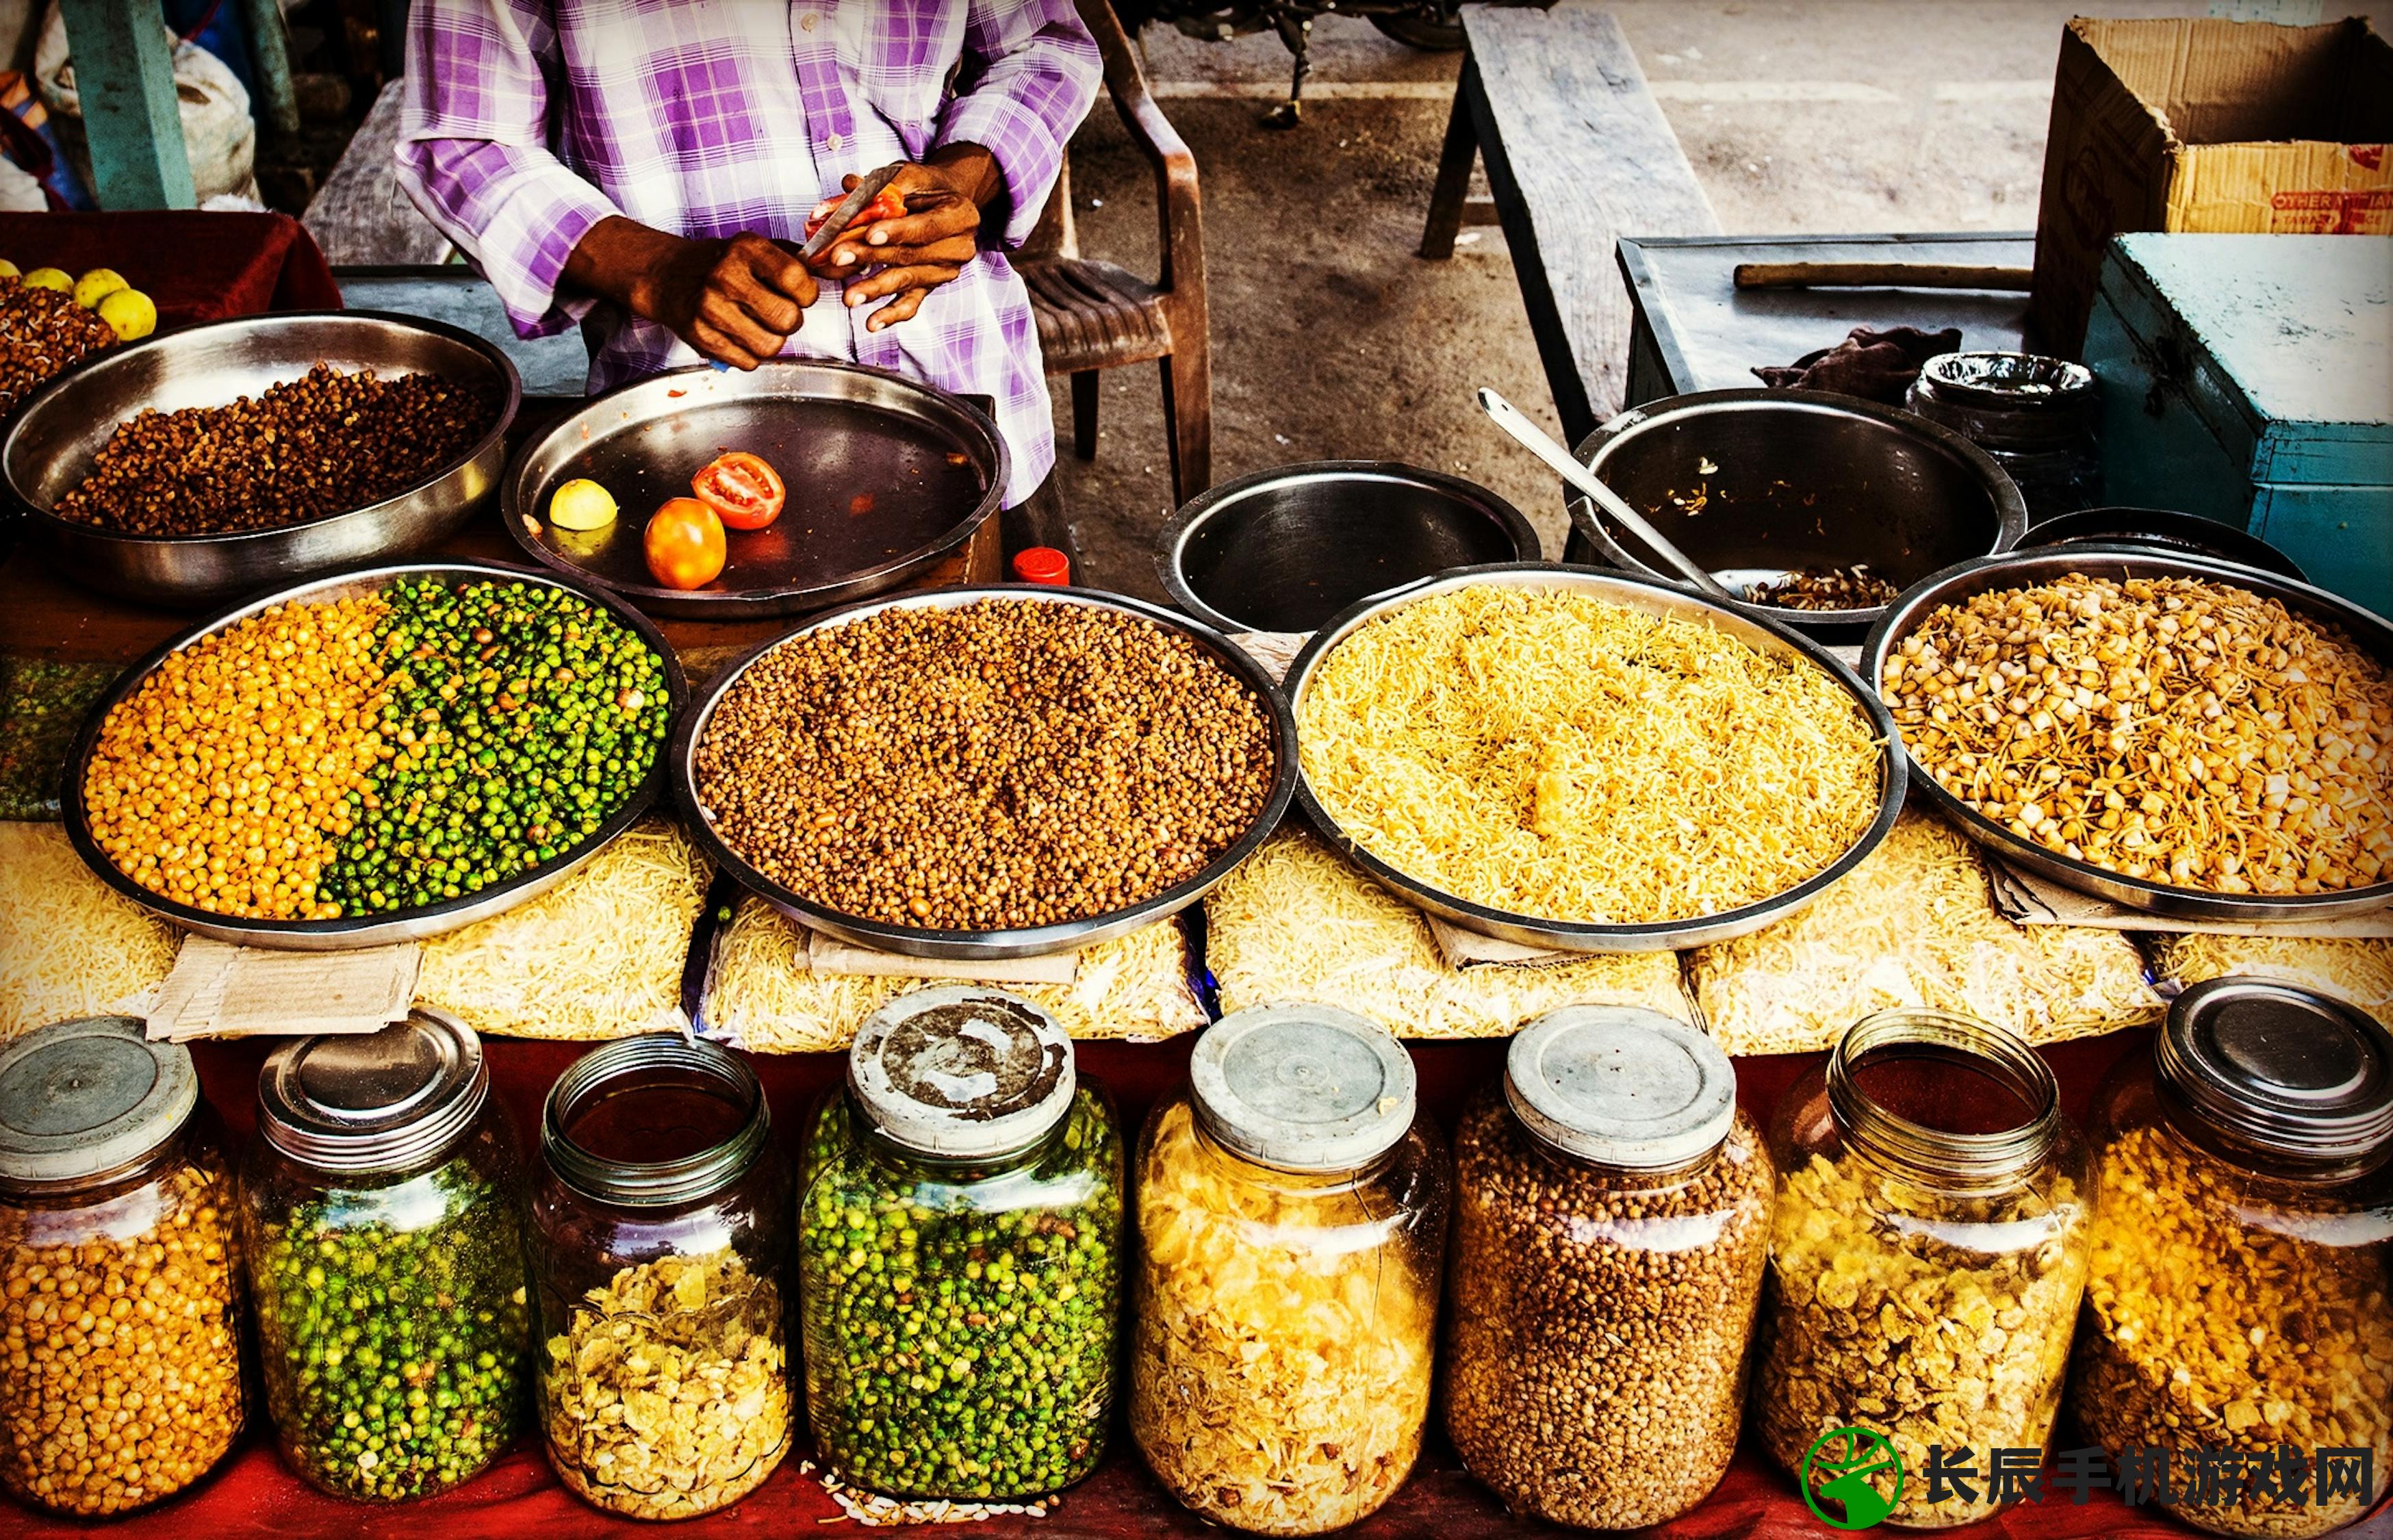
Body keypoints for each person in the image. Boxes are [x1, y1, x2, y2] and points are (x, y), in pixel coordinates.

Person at [394, 1, 1102, 510]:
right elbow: (462, 140)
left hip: (967, 378)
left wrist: (963, 176)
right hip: (689, 440)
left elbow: (1042, 47)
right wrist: (655, 268)